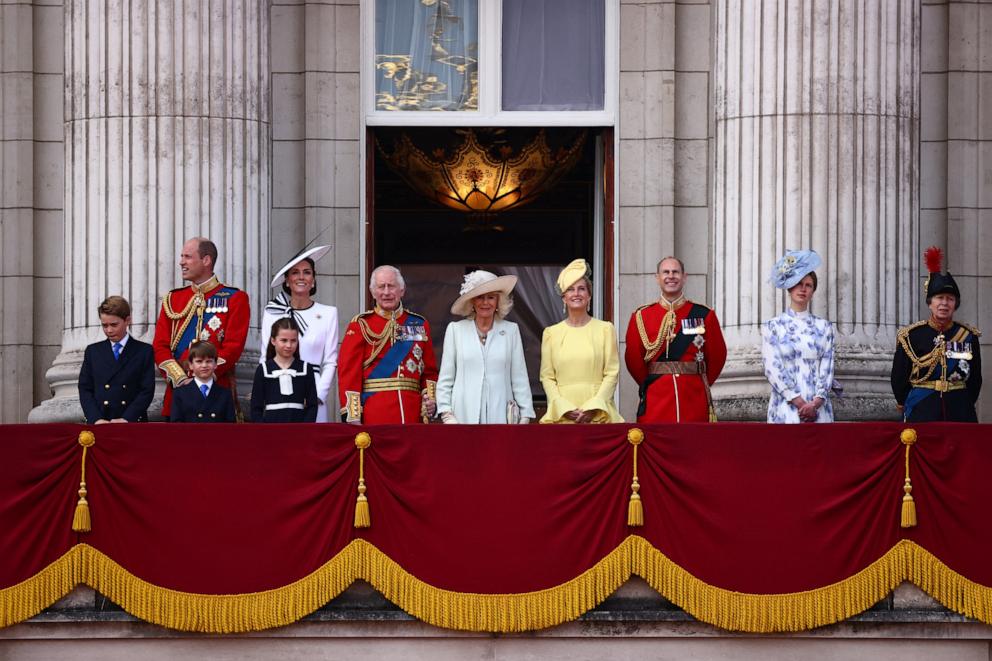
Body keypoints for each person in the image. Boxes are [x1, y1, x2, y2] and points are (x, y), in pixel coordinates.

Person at [153, 237, 250, 418]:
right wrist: (180, 378)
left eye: (188, 257)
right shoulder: (173, 299)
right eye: (182, 256)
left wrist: (204, 375)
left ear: (206, 260)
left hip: (216, 394)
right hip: (178, 394)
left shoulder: (235, 298)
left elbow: (233, 347)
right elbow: (160, 346)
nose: (181, 262)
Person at [624, 256, 726, 423]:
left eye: (675, 272)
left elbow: (717, 356)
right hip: (656, 402)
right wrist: (652, 384)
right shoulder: (641, 316)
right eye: (666, 272)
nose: (671, 276)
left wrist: (698, 383)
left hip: (693, 399)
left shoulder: (704, 315)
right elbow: (634, 360)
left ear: (684, 277)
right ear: (657, 278)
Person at [337, 265, 439, 424]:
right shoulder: (361, 325)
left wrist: (431, 401)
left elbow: (429, 371)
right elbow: (349, 374)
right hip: (375, 413)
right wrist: (353, 416)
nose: (386, 292)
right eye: (381, 287)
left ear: (402, 290)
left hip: (413, 413)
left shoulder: (418, 324)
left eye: (391, 286)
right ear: (372, 292)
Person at [891, 247, 982, 422]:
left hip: (959, 409)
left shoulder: (967, 335)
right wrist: (905, 402)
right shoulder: (911, 335)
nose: (944, 303)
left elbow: (975, 380)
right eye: (939, 298)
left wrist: (963, 401)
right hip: (922, 408)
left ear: (955, 304)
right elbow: (899, 377)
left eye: (950, 299)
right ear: (930, 303)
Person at [436, 270, 535, 424]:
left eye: (491, 297)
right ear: (472, 302)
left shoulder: (511, 330)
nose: (485, 302)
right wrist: (446, 414)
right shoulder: (456, 330)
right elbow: (446, 378)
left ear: (498, 302)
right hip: (462, 416)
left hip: (501, 416)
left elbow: (519, 377)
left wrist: (525, 415)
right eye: (480, 297)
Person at [259, 244, 339, 422]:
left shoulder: (328, 313)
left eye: (307, 272)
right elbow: (265, 357)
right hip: (279, 390)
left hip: (313, 390)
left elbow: (331, 360)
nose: (301, 277)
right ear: (286, 280)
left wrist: (318, 395)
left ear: (314, 279)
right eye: (295, 272)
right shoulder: (273, 312)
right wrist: (268, 392)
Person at [539, 259, 623, 424]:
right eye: (570, 289)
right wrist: (563, 407)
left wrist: (594, 407)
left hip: (598, 414)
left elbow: (612, 372)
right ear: (564, 298)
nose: (576, 293)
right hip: (562, 415)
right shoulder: (551, 333)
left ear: (589, 295)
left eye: (581, 289)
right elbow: (547, 377)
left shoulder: (605, 329)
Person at [761, 250, 835, 423]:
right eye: (798, 283)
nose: (803, 289)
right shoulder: (773, 326)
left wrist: (815, 403)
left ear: (813, 291)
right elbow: (772, 368)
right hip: (785, 408)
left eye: (808, 285)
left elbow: (827, 367)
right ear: (789, 287)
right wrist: (800, 402)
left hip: (818, 409)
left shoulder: (824, 327)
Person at [78, 296, 156, 424]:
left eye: (114, 325)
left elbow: (146, 390)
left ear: (127, 320)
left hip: (132, 423)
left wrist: (127, 418)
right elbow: (85, 389)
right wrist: (96, 418)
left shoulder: (144, 351)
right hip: (100, 422)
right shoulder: (93, 351)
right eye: (104, 325)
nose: (109, 330)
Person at [251, 318, 319, 423]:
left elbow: (312, 405)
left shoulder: (306, 369)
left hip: (298, 430)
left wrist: (305, 429)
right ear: (273, 341)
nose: (289, 345)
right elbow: (256, 408)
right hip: (271, 430)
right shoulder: (263, 370)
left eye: (293, 341)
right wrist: (263, 430)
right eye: (284, 340)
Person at [169, 341, 237, 422]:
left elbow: (230, 428)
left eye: (208, 361)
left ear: (215, 364)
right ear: (190, 365)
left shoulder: (225, 394)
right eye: (199, 361)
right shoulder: (180, 393)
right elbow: (176, 426)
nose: (204, 365)